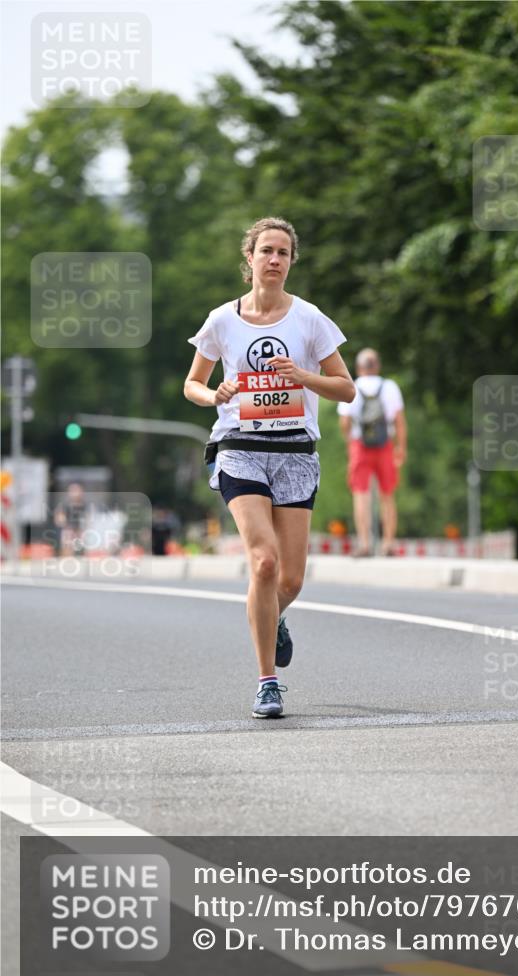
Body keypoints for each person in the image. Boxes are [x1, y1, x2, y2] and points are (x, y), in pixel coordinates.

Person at [184, 217, 355, 719]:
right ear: (250, 259)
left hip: (295, 452)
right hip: (239, 446)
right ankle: (267, 683)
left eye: (283, 252)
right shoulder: (222, 321)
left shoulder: (309, 320)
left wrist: (303, 376)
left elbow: (345, 388)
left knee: (291, 580)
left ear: (291, 262)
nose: (275, 260)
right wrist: (214, 393)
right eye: (266, 251)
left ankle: (272, 618)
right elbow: (191, 384)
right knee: (263, 561)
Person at [337, 348, 407, 557]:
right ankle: (388, 544)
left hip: (360, 445)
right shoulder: (390, 387)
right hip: (385, 445)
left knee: (361, 494)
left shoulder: (352, 386)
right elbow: (399, 420)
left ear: (358, 368)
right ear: (377, 366)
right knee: (387, 494)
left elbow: (345, 421)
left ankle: (365, 543)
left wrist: (349, 440)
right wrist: (401, 447)